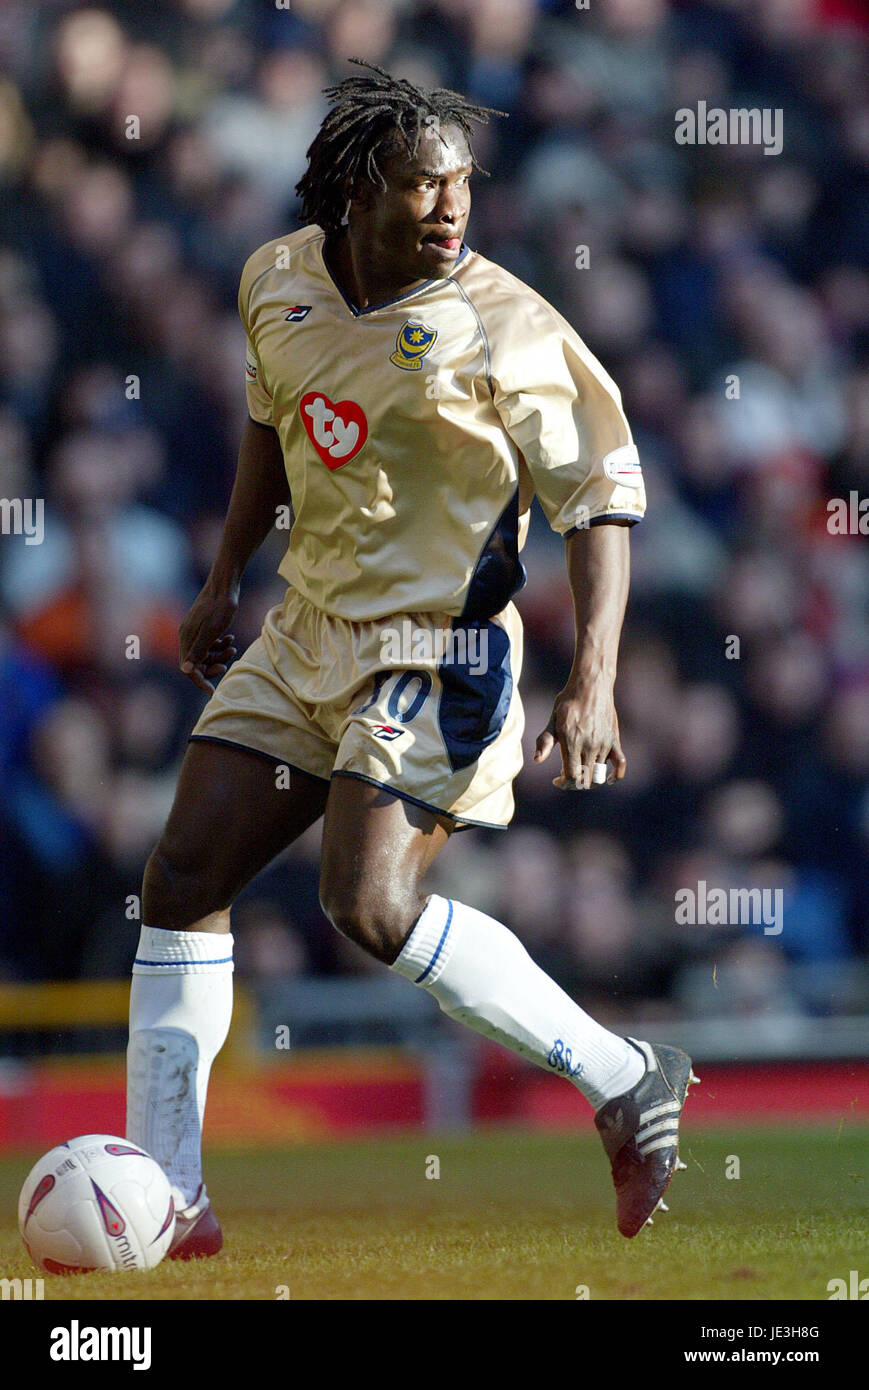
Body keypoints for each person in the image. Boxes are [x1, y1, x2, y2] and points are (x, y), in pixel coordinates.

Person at [125, 61, 698, 1258]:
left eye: (461, 184)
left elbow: (599, 499)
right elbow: (270, 425)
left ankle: (620, 1070)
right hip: (305, 631)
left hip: (436, 652)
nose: (448, 206)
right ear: (352, 189)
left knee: (367, 905)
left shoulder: (508, 325)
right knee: (180, 878)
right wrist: (224, 576)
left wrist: (590, 681)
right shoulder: (275, 279)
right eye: (420, 182)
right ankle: (169, 1194)